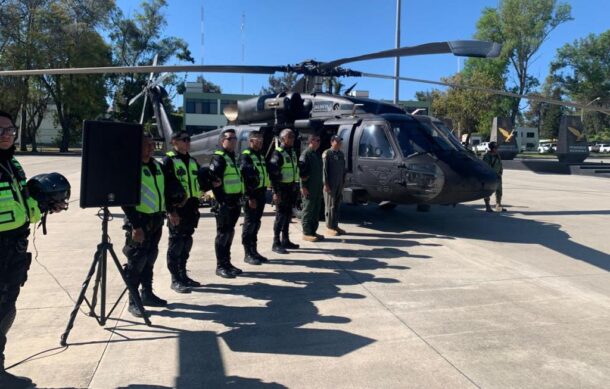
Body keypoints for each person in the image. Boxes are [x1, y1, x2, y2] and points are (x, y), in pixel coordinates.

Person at [0, 110, 43, 388]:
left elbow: (21, 203)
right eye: (1, 130)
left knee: (6, 308)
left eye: (10, 130)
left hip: (14, 247)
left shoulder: (13, 164)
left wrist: (46, 206)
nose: (6, 135)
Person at [122, 132, 171, 318]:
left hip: (156, 220)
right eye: (147, 145)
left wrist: (171, 211)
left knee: (149, 259)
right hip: (139, 221)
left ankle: (147, 294)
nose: (151, 148)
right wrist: (135, 226)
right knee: (136, 261)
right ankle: (133, 301)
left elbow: (164, 192)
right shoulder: (131, 168)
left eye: (153, 145)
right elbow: (126, 201)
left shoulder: (156, 166)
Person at [162, 130, 202, 293]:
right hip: (177, 209)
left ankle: (183, 274)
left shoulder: (192, 161)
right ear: (174, 142)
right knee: (176, 243)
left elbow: (200, 181)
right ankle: (175, 279)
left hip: (191, 207)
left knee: (186, 242)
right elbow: (163, 188)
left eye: (188, 139)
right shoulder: (168, 161)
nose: (187, 142)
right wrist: (171, 211)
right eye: (183, 140)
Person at [209, 129, 244, 278]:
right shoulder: (219, 158)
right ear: (222, 141)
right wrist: (221, 202)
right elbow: (214, 182)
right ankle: (220, 266)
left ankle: (227, 263)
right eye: (230, 139)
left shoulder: (232, 157)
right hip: (224, 202)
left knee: (230, 233)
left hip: (234, 201)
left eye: (235, 138)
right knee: (223, 234)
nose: (234, 141)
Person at [268, 129, 300, 254]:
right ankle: (276, 243)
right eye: (289, 137)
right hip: (281, 189)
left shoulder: (291, 152)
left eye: (293, 136)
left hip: (290, 188)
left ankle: (285, 240)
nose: (292, 138)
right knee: (280, 216)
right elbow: (273, 174)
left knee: (287, 215)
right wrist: (275, 192)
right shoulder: (278, 153)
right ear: (282, 139)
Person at [239, 132, 269, 265]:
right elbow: (245, 178)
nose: (261, 142)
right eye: (258, 140)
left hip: (261, 193)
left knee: (256, 223)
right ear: (251, 141)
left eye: (262, 139)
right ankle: (247, 253)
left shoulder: (260, 155)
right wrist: (249, 197)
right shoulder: (246, 156)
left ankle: (254, 251)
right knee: (249, 224)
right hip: (252, 195)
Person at [299, 134, 324, 242]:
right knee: (308, 209)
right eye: (317, 140)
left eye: (319, 140)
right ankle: (306, 232)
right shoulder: (306, 154)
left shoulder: (316, 154)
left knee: (316, 209)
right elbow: (302, 172)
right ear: (311, 141)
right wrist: (303, 187)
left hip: (317, 188)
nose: (319, 142)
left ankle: (313, 231)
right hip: (309, 187)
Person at [323, 135, 347, 236]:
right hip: (330, 184)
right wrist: (325, 184)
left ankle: (335, 225)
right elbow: (324, 170)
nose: (339, 143)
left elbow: (343, 169)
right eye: (337, 141)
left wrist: (343, 182)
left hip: (339, 184)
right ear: (332, 142)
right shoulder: (327, 153)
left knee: (337, 205)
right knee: (330, 206)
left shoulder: (341, 154)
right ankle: (329, 227)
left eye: (340, 141)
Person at [482, 141, 506, 212]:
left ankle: (498, 205)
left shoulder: (497, 155)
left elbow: (500, 164)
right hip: (490, 176)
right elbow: (486, 167)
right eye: (495, 148)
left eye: (497, 148)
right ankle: (487, 206)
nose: (497, 149)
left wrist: (500, 172)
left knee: (499, 191)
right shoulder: (487, 156)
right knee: (487, 191)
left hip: (498, 176)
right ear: (492, 148)